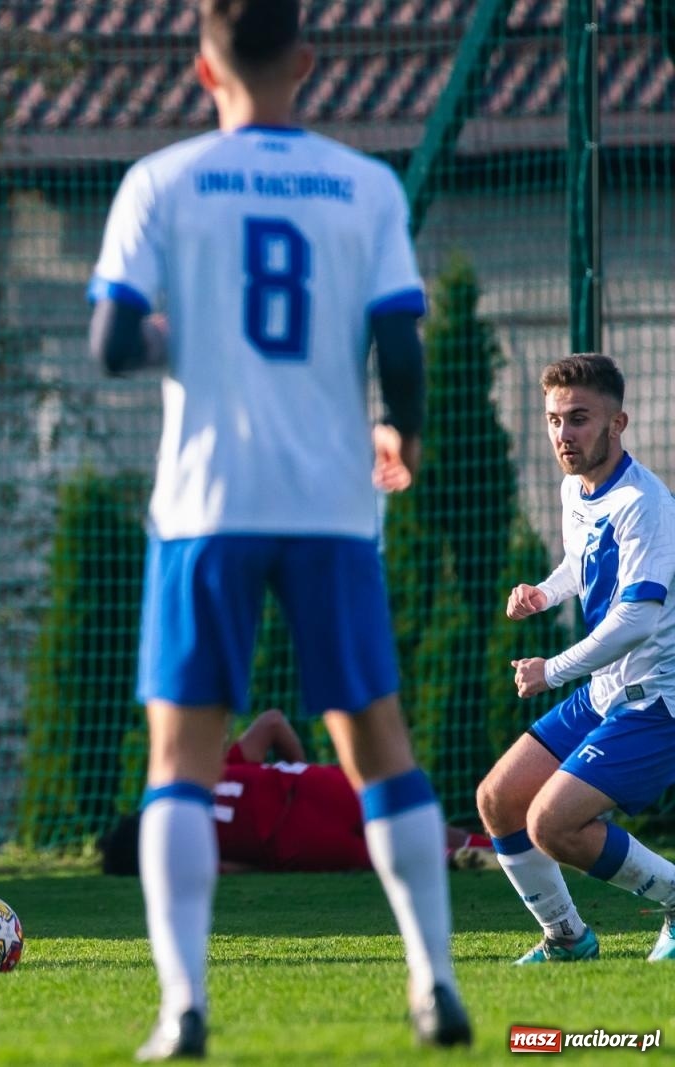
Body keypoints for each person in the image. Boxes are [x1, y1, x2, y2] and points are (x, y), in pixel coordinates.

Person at [87, 0, 470, 1056]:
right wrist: (401, 433)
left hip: (208, 503)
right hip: (329, 503)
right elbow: (400, 343)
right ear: (305, 61)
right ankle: (433, 981)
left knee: (180, 756)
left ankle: (183, 1007)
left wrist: (187, 332)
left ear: (202, 69)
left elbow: (114, 341)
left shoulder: (159, 180)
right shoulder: (364, 186)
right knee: (376, 739)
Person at [475, 353, 675, 966]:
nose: (564, 435)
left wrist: (551, 670)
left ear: (618, 423)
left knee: (551, 825)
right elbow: (580, 561)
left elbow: (637, 620)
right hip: (608, 690)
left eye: (579, 419)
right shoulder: (575, 487)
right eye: (555, 420)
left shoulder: (646, 504)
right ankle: (567, 938)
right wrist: (545, 592)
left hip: (657, 700)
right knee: (497, 801)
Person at [97, 710, 498, 876]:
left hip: (297, 840)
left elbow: (229, 868)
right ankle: (510, 850)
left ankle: (462, 859)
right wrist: (300, 768)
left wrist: (261, 862)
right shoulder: (208, 775)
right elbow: (272, 721)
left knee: (391, 855)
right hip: (316, 785)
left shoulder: (183, 847)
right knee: (413, 822)